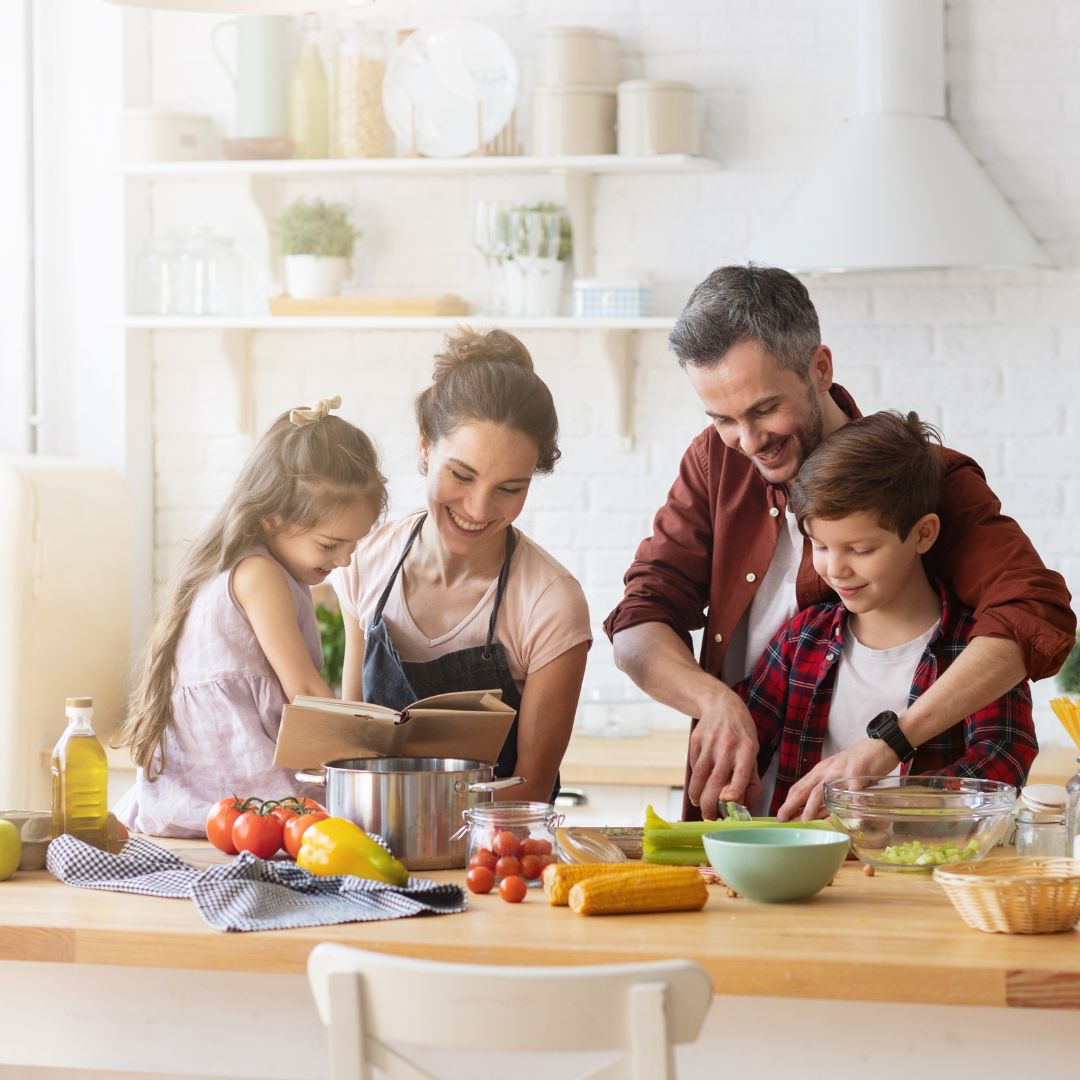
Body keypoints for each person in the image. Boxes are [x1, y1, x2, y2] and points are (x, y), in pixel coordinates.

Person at [604, 265, 1075, 821]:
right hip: (759, 827)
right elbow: (638, 621)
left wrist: (889, 748)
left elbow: (1032, 611)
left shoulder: (923, 480)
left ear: (820, 368)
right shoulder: (715, 461)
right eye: (723, 418)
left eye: (764, 409)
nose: (748, 442)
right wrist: (713, 701)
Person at [333, 327, 592, 804]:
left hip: (493, 856)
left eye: (509, 489)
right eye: (462, 475)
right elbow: (353, 748)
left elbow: (531, 790)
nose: (477, 508)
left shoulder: (550, 602)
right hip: (373, 847)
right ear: (426, 446)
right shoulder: (364, 561)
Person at [738, 410, 1038, 814]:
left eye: (860, 550)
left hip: (923, 872)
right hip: (802, 871)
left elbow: (1002, 762)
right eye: (821, 546)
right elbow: (746, 741)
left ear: (923, 534)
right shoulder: (800, 639)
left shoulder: (976, 650)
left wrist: (876, 805)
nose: (835, 569)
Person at [115, 396, 386, 837]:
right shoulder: (259, 574)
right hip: (237, 786)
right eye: (329, 545)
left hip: (207, 791)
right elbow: (303, 690)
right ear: (273, 520)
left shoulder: (250, 565)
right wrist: (359, 757)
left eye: (353, 545)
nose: (344, 560)